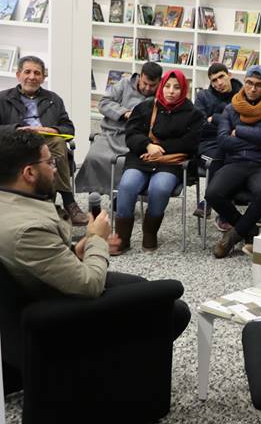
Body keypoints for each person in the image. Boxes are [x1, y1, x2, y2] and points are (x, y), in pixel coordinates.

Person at [0, 129, 189, 336]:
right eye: (50, 162)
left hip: (49, 286)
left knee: (141, 286)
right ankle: (121, 354)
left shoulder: (10, 204)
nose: (55, 169)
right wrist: (98, 238)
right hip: (53, 314)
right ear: (29, 173)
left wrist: (78, 250)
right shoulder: (28, 230)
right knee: (172, 308)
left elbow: (40, 256)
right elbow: (89, 286)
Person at [114, 70, 203, 253]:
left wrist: (160, 149)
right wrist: (147, 145)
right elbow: (131, 135)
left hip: (171, 162)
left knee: (160, 188)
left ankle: (150, 232)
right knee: (127, 185)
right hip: (142, 157)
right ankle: (121, 237)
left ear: (184, 90)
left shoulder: (193, 114)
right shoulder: (145, 107)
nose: (171, 91)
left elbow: (191, 143)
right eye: (167, 86)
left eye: (176, 87)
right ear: (161, 87)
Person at [206, 65, 261, 258]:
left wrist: (240, 131)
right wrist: (257, 142)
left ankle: (232, 237)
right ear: (244, 82)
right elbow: (223, 140)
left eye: (258, 85)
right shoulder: (231, 108)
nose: (252, 88)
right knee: (212, 193)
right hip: (235, 162)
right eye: (249, 83)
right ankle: (249, 231)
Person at [0, 56, 86, 225]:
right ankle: (68, 201)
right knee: (53, 151)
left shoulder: (54, 99)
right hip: (17, 144)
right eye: (27, 72)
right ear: (18, 75)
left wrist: (52, 130)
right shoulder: (3, 99)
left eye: (37, 73)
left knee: (56, 142)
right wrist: (18, 129)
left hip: (46, 144)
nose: (32, 77)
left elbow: (69, 128)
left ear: (43, 77)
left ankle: (51, 205)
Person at [75, 62, 162, 196]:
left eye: (152, 85)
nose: (147, 88)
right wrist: (124, 113)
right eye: (145, 83)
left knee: (126, 163)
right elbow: (103, 103)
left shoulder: (161, 95)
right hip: (112, 132)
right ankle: (94, 195)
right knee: (93, 157)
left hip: (136, 138)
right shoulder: (124, 84)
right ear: (140, 76)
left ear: (159, 82)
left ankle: (119, 197)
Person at [193, 63, 242, 218]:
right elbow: (200, 126)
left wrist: (214, 118)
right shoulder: (203, 96)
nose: (219, 83)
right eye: (214, 80)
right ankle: (216, 203)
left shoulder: (242, 95)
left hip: (233, 143)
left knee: (235, 159)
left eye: (221, 77)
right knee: (217, 159)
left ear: (229, 75)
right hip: (209, 144)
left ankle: (214, 203)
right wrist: (228, 124)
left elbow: (243, 123)